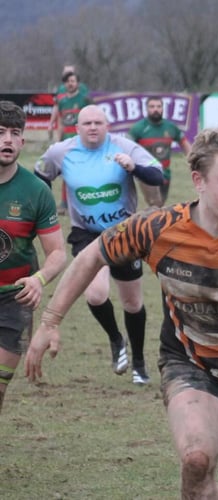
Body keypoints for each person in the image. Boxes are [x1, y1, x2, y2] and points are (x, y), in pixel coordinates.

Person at [25, 124, 218, 499]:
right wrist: (50, 322)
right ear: (198, 180)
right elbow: (91, 256)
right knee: (196, 460)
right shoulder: (160, 228)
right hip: (190, 363)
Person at [34, 104, 163, 386]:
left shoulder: (124, 147)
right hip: (86, 234)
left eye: (98, 123)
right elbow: (38, 179)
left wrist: (134, 167)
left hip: (124, 233)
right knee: (95, 294)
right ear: (77, 128)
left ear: (108, 126)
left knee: (132, 302)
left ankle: (139, 363)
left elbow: (157, 175)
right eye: (87, 123)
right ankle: (116, 340)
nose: (93, 127)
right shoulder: (62, 152)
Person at [0, 101, 67, 414]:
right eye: (0, 133)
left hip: (14, 301)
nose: (8, 140)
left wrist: (40, 279)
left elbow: (56, 252)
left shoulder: (36, 190)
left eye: (15, 133)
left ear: (23, 141)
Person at [128, 96, 192, 204]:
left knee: (160, 204)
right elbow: (127, 146)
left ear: (163, 108)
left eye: (158, 106)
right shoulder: (138, 128)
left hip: (165, 173)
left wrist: (193, 160)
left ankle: (149, 220)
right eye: (152, 106)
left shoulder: (170, 127)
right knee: (155, 203)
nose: (155, 109)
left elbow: (184, 142)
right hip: (147, 172)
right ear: (147, 109)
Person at [50, 69, 92, 215]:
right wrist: (58, 140)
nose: (70, 84)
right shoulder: (62, 101)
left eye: (73, 81)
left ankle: (84, 203)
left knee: (83, 173)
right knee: (66, 172)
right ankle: (64, 204)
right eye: (68, 81)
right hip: (67, 143)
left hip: (82, 143)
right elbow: (61, 122)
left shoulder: (84, 99)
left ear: (77, 83)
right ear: (65, 84)